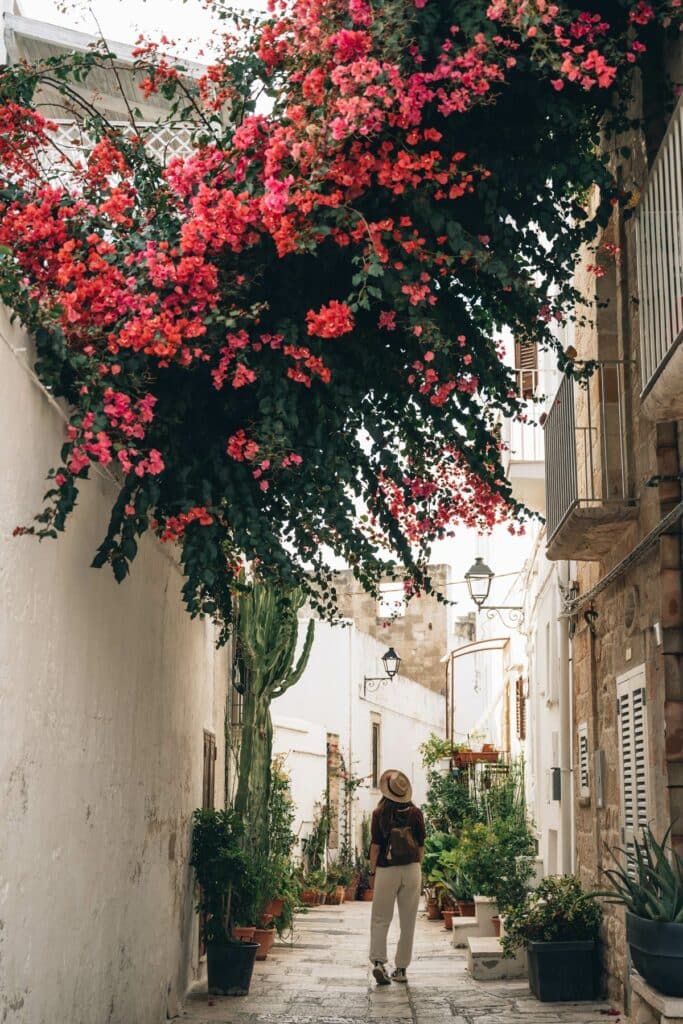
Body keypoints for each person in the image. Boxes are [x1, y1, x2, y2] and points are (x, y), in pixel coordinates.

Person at [368, 769, 425, 986]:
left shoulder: (379, 813)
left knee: (381, 918)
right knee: (408, 921)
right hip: (411, 869)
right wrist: (417, 868)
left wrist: (372, 872)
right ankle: (401, 969)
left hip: (386, 869)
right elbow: (421, 846)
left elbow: (375, 847)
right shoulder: (416, 813)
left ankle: (379, 962)